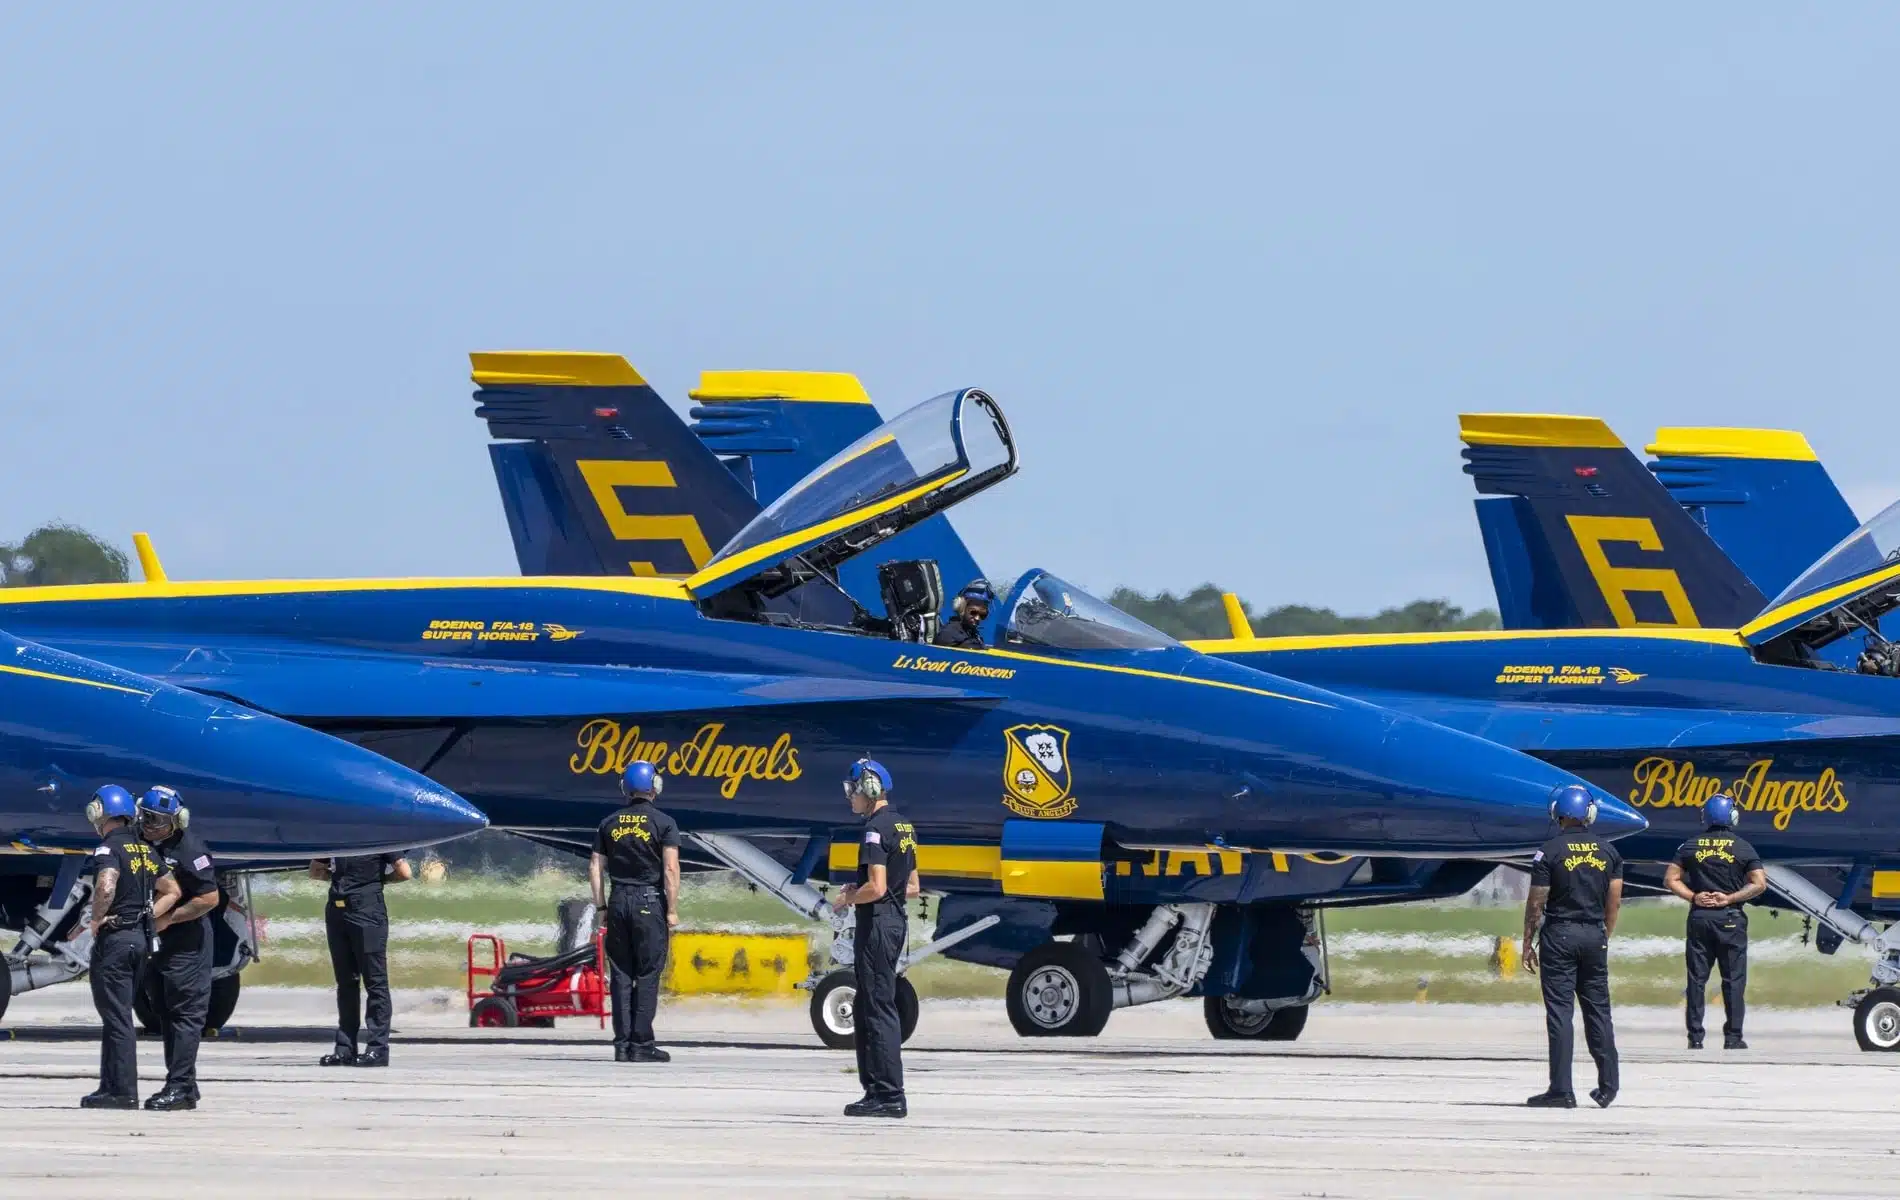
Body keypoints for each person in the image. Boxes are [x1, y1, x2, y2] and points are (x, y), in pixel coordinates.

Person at [79, 785, 180, 1109]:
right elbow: (172, 889)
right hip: (139, 940)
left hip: (116, 941)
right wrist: (147, 915)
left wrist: (97, 919)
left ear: (98, 813)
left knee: (117, 1018)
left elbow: (106, 884)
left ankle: (122, 1091)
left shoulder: (108, 850)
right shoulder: (145, 850)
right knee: (117, 1015)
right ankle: (108, 1087)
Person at [1522, 783, 1622, 1109]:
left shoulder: (1548, 852)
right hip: (1594, 936)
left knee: (1560, 1015)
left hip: (1560, 936)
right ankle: (1608, 1086)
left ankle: (1561, 1090)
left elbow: (1537, 902)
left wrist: (1527, 942)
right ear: (1589, 814)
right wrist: (1602, 935)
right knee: (1598, 1012)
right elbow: (1614, 903)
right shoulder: (1610, 852)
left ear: (1557, 814)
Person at [831, 758, 919, 1118]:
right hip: (895, 921)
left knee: (877, 1007)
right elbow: (912, 887)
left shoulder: (873, 830)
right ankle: (875, 1091)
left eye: (853, 790)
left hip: (878, 925)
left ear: (868, 789)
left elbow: (878, 887)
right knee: (870, 1006)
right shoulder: (905, 826)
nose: (850, 797)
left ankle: (889, 1095)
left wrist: (848, 897)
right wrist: (865, 888)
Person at [589, 760, 680, 1063]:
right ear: (655, 787)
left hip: (617, 902)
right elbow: (670, 868)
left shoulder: (607, 823)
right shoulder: (664, 823)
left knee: (621, 974)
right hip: (649, 902)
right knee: (648, 973)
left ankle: (622, 1044)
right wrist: (672, 909)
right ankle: (642, 1045)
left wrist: (601, 905)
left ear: (625, 788)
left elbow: (595, 868)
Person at [137, 786, 221, 1111]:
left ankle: (179, 1088)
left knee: (185, 1015)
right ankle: (185, 1082)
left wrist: (169, 919)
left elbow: (208, 898)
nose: (149, 824)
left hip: (187, 944)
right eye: (145, 816)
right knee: (163, 1012)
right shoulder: (140, 842)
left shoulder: (190, 850)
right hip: (156, 943)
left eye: (157, 820)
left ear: (176, 821)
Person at [1664, 792, 1765, 1050]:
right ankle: (1733, 1038)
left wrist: (1694, 897)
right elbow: (1759, 884)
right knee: (1733, 981)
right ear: (1732, 816)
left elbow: (1670, 879)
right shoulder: (1743, 847)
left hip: (1699, 918)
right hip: (1730, 919)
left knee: (1696, 980)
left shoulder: (1689, 846)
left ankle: (1695, 1038)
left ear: (1705, 817)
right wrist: (1730, 898)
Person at [310, 849, 411, 1067]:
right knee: (346, 982)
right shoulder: (339, 836)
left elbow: (405, 872)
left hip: (366, 911)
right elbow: (315, 871)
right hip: (340, 911)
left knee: (374, 982)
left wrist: (377, 880)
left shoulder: (375, 835)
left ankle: (377, 1048)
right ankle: (345, 1048)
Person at [933, 579, 994, 649]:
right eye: (973, 612)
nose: (977, 618)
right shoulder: (947, 635)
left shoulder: (973, 634)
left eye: (983, 615)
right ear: (961, 607)